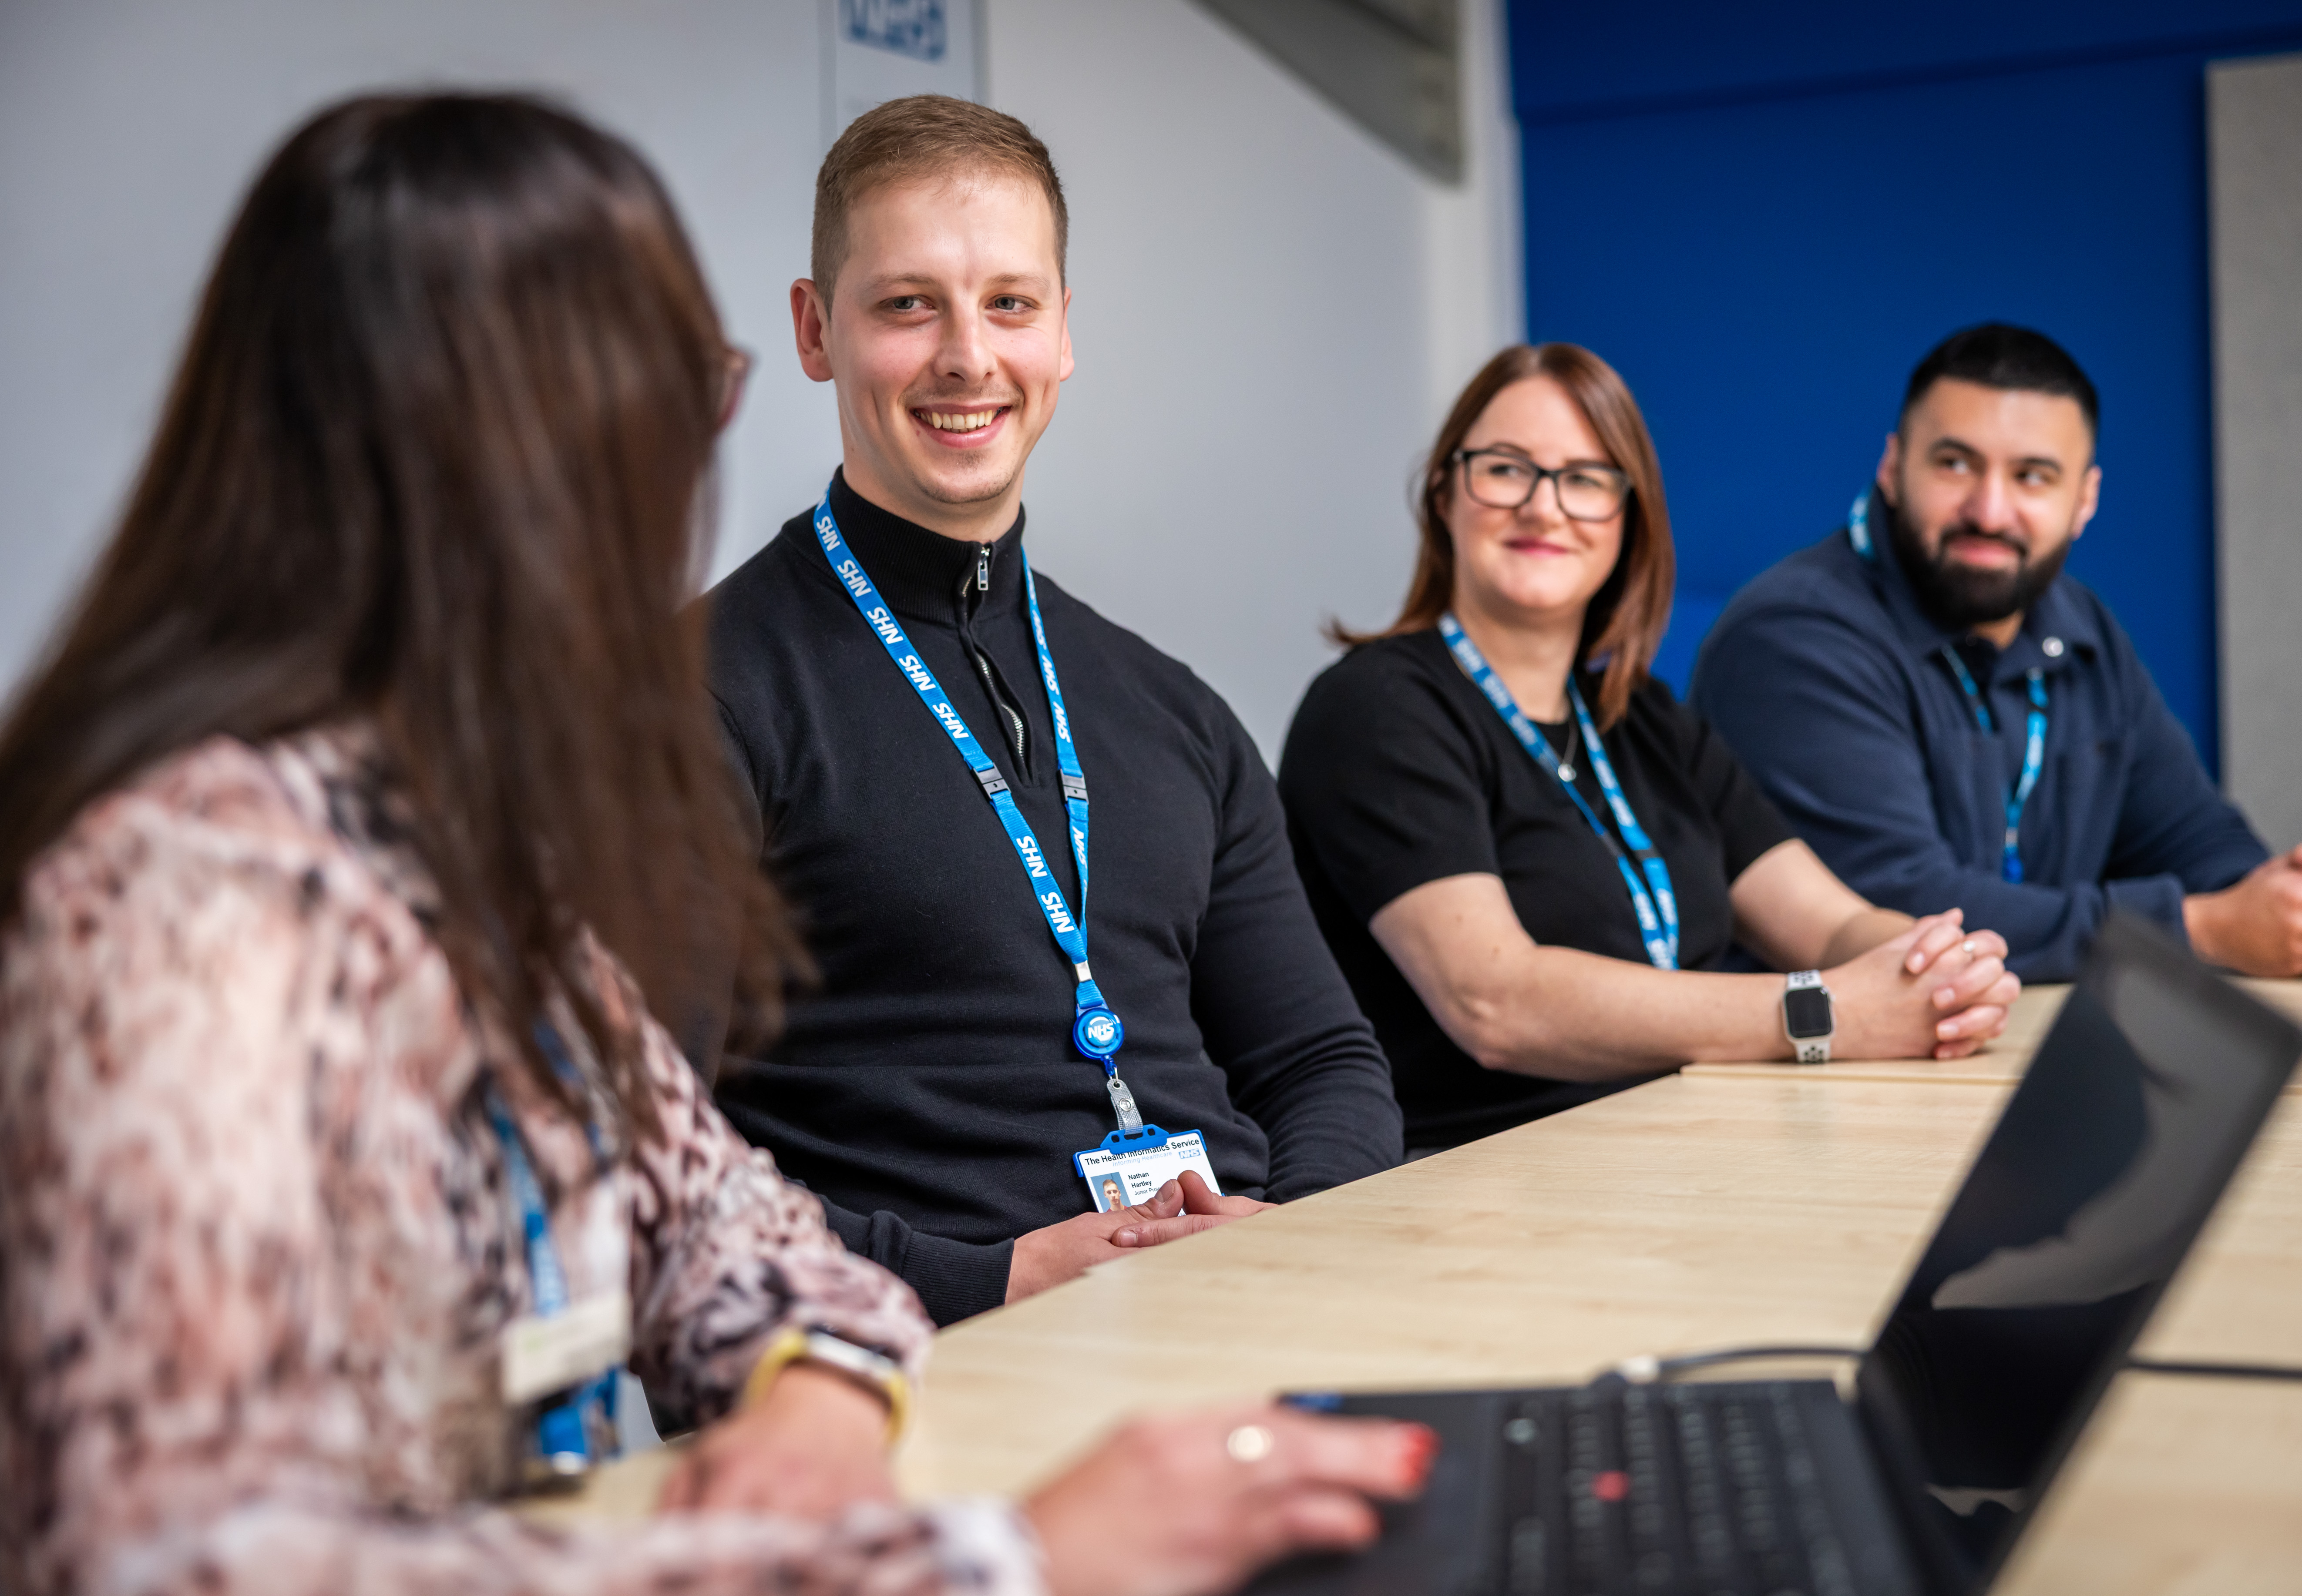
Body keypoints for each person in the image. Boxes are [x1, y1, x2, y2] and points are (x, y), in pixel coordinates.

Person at [0, 93, 1430, 1596]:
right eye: (664, 398)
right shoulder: (180, 896)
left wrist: (823, 1378)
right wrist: (1011, 1554)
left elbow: (717, 1222)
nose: (686, 466)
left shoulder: (448, 838)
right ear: (429, 444)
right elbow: (183, 1556)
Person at [705, 95, 1403, 1322]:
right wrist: (1003, 1276)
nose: (968, 356)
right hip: (924, 1363)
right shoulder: (697, 692)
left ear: (1063, 334)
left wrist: (1289, 1239)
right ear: (816, 330)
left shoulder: (1169, 707)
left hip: (1245, 1319)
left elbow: (1321, 1064)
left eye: (1009, 304)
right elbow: (639, 1162)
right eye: (907, 303)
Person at [1275, 344, 2023, 1153]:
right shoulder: (1374, 708)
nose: (1544, 507)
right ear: (1444, 492)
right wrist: (1824, 1012)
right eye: (1505, 469)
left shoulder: (1646, 721)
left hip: (1674, 1143)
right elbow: (1496, 1003)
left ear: (1629, 520)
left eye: (1586, 480)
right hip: (1474, 1177)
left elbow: (1828, 925)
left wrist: (1936, 970)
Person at [1690, 324, 2302, 983]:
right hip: (1815, 1082)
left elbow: (2191, 834)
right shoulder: (1793, 638)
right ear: (1894, 469)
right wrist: (2201, 929)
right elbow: (1903, 911)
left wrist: (2284, 901)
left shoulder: (2079, 627)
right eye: (1956, 464)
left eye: (2033, 476)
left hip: (2009, 1044)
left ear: (2085, 500)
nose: (1990, 511)